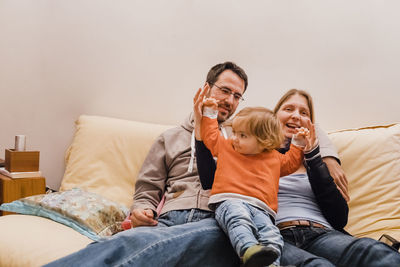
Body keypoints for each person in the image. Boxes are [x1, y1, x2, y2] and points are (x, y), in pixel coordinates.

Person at [44, 62, 344, 267]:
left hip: (218, 220)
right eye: (225, 90)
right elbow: (148, 186)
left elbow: (289, 132)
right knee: (137, 240)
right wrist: (141, 209)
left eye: (237, 95)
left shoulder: (246, 137)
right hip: (171, 217)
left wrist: (326, 152)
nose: (230, 99)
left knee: (132, 247)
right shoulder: (170, 138)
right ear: (207, 88)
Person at [195, 88, 400, 266]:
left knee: (372, 251)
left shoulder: (306, 160)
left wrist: (314, 156)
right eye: (288, 109)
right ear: (272, 119)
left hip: (322, 233)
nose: (295, 116)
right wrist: (204, 119)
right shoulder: (243, 150)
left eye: (304, 112)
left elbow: (340, 217)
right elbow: (209, 174)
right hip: (278, 234)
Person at [196, 86, 318, 266]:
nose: (235, 138)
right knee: (238, 220)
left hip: (262, 209)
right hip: (230, 200)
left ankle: (270, 263)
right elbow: (210, 135)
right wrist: (209, 112)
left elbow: (292, 162)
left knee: (272, 234)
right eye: (235, 132)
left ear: (264, 140)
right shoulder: (227, 146)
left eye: (243, 135)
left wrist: (298, 141)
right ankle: (248, 249)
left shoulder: (274, 158)